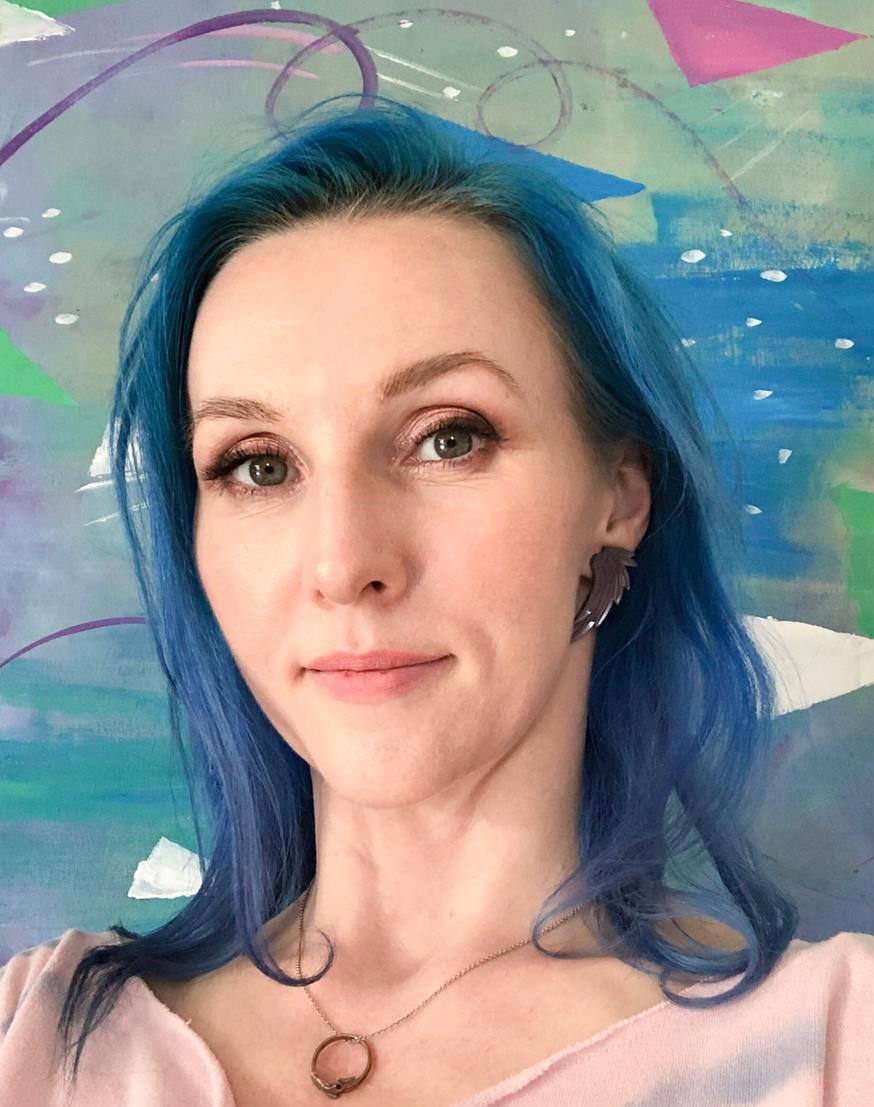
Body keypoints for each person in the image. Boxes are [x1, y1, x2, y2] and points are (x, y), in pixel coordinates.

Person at [1, 94, 871, 1107]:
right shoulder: (33, 1039)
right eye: (258, 464)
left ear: (617, 498)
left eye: (448, 438)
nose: (344, 563)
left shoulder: (837, 1046)